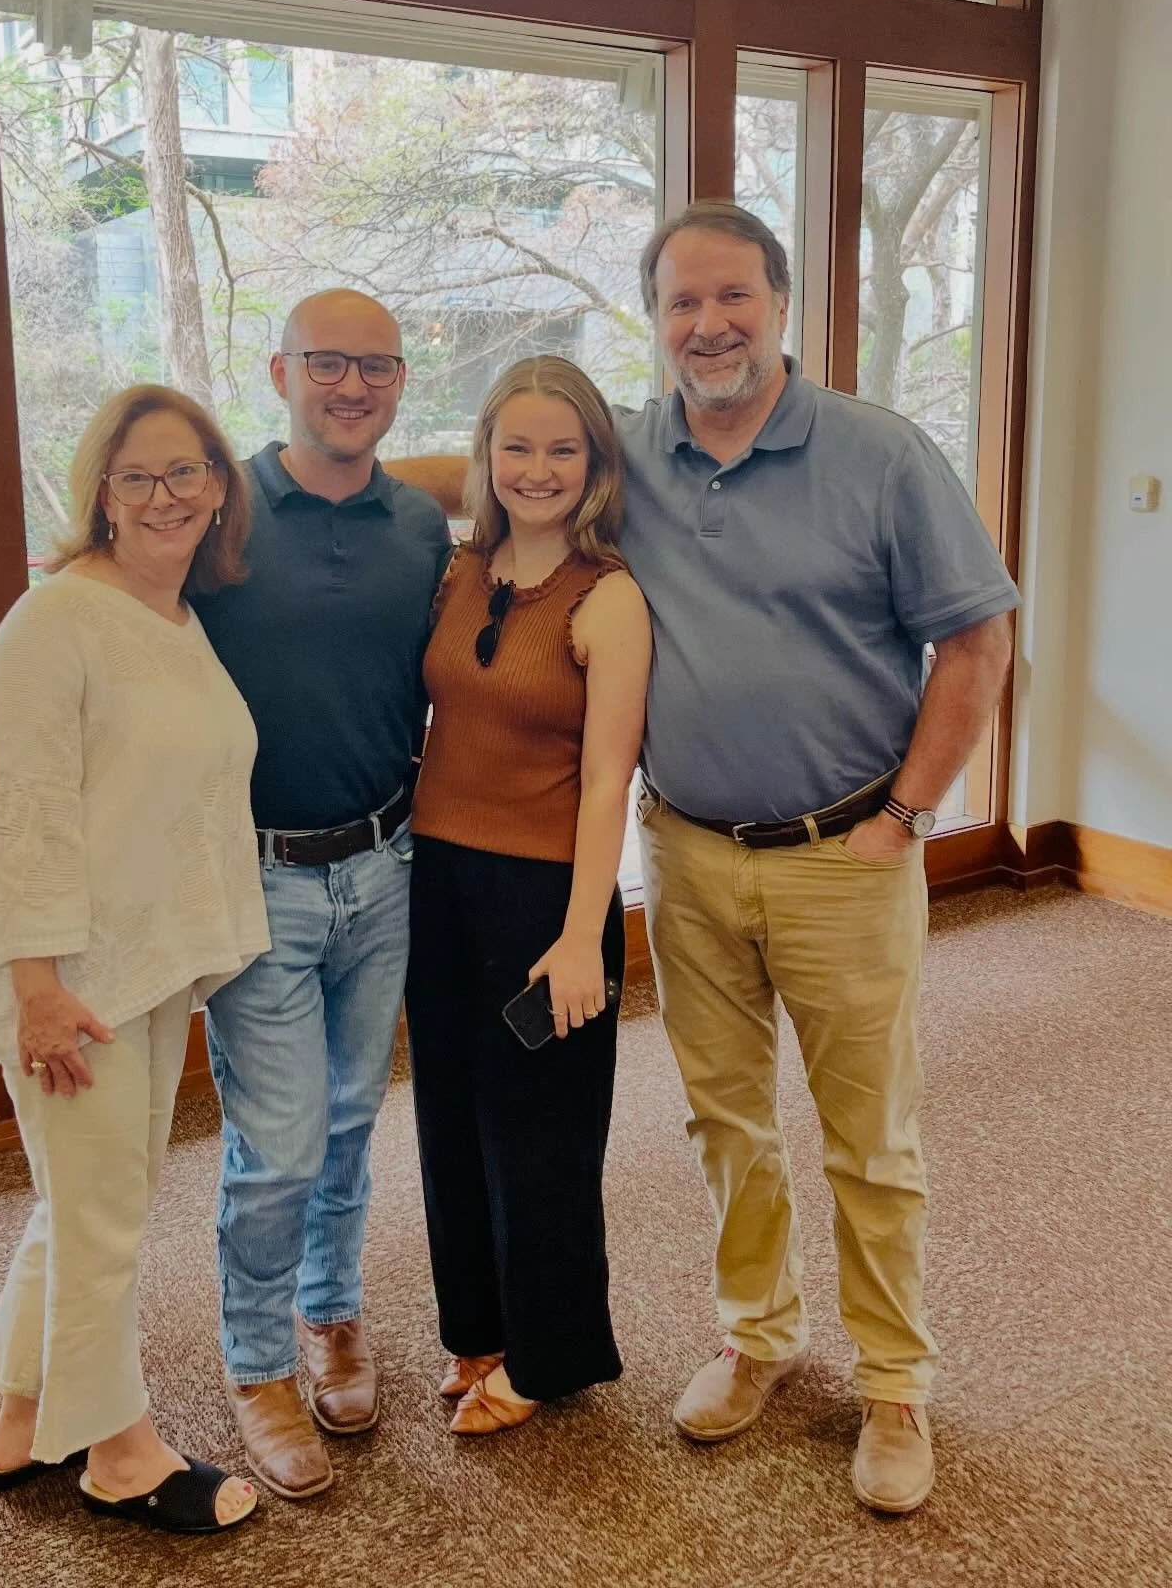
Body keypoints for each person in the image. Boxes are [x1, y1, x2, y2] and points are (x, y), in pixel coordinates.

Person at [392, 200, 1018, 1514]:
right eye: (681, 303)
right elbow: (515, 463)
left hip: (845, 851)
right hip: (684, 852)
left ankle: (895, 1383)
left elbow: (974, 646)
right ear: (656, 319)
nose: (708, 324)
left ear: (781, 303)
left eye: (732, 296)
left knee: (868, 1139)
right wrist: (289, 480)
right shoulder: (631, 454)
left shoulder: (881, 456)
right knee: (726, 1122)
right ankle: (759, 1336)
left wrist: (906, 816)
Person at [0, 383, 268, 1537]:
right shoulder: (56, 622)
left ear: (222, 486)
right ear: (101, 495)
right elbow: (21, 813)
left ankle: (23, 1415)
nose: (168, 494)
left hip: (146, 958)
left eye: (189, 472)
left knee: (89, 1199)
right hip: (64, 977)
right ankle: (119, 1451)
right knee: (102, 1216)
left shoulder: (179, 616)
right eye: (139, 476)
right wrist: (34, 990)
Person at [193, 289, 451, 1500]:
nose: (352, 387)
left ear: (402, 381)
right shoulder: (218, 511)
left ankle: (331, 1312)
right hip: (252, 878)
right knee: (279, 1141)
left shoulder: (421, 525)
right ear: (281, 368)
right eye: (328, 365)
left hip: (386, 864)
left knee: (352, 1118)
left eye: (377, 367)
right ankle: (255, 1366)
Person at [406, 357, 650, 1435]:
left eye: (564, 449)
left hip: (549, 895)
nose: (538, 469)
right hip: (439, 882)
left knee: (541, 1136)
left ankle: (552, 1355)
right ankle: (481, 1333)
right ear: (486, 456)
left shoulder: (611, 597)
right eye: (517, 446)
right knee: (449, 1120)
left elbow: (609, 782)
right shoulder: (460, 568)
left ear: (596, 463)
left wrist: (583, 935)